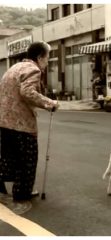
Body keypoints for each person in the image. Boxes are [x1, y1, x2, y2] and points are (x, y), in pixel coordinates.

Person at [0, 41, 59, 208]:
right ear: (40, 57)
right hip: (21, 123)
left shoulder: (14, 68)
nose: (47, 62)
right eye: (47, 58)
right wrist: (50, 103)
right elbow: (27, 91)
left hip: (4, 121)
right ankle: (22, 192)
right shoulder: (33, 70)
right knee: (27, 158)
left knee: (9, 157)